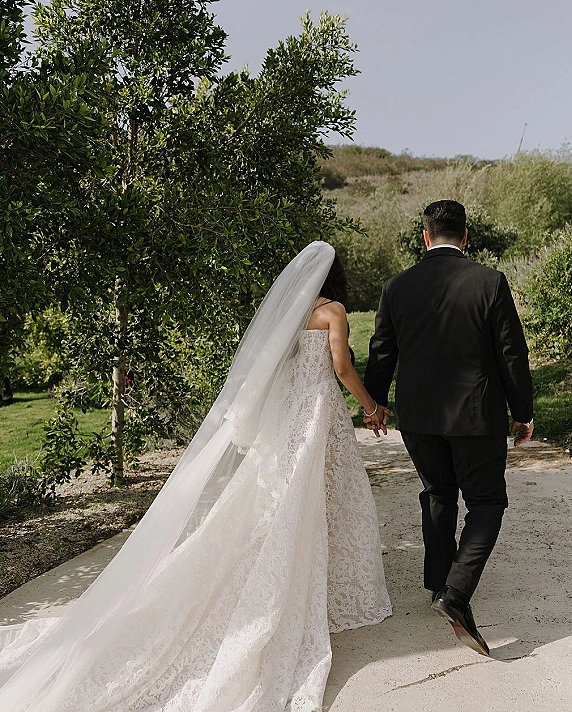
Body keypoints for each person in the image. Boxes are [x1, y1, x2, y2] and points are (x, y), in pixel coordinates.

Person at [0, 241, 391, 711]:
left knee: (284, 497)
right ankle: (302, 585)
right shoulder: (334, 311)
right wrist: (371, 407)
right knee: (320, 496)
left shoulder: (288, 313)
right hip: (318, 409)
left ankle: (306, 580)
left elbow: (270, 369)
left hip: (291, 409)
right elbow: (342, 367)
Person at [364, 200, 533, 657]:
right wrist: (523, 411)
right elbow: (511, 354)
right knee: (487, 501)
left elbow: (382, 352)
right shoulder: (489, 281)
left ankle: (439, 580)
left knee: (438, 493)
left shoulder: (396, 286)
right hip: (476, 416)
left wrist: (375, 403)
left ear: (425, 236)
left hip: (418, 417)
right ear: (465, 235)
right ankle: (455, 594)